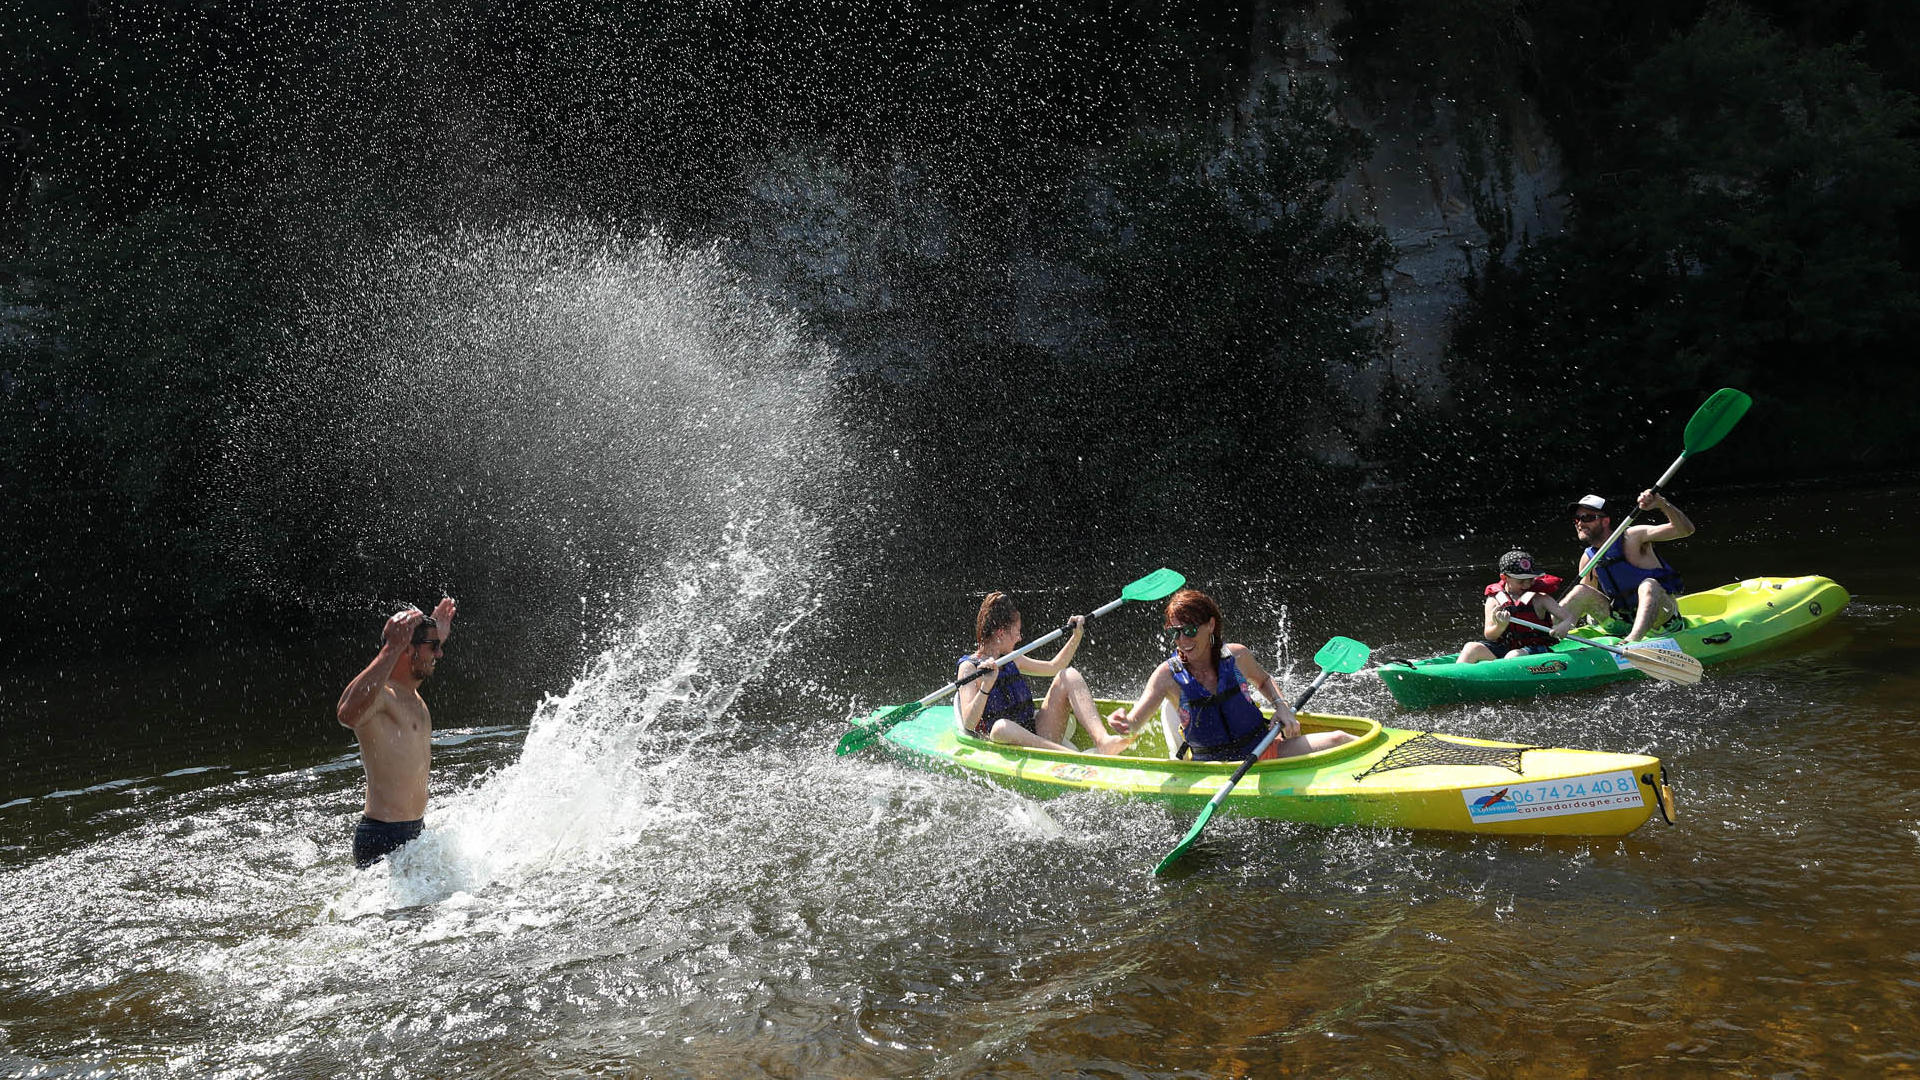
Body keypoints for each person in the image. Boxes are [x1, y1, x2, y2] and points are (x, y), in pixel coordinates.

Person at [1108, 588, 1356, 762]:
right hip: (1213, 768)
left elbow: (1264, 680)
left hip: (1263, 750)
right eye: (1176, 632)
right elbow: (1133, 725)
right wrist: (1123, 723)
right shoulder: (1167, 676)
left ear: (1211, 625)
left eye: (1190, 630)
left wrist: (1280, 706)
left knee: (1339, 738)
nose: (1183, 640)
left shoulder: (1236, 657)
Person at [336, 597, 456, 869]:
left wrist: (436, 635)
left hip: (415, 830)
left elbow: (416, 665)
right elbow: (346, 713)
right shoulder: (381, 698)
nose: (439, 654)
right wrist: (391, 648)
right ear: (406, 649)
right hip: (383, 837)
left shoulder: (408, 694)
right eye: (433, 647)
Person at [955, 591, 1131, 755]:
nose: (1019, 638)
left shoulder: (1010, 657)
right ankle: (1067, 755)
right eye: (1016, 632)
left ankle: (1103, 740)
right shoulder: (969, 668)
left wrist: (1075, 636)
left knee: (1068, 675)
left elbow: (1054, 667)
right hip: (1002, 741)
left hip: (1036, 732)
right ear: (1001, 633)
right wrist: (986, 685)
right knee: (1001, 728)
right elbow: (969, 722)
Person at [1560, 491, 1693, 642]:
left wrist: (1662, 503)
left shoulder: (1633, 537)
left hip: (1661, 622)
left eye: (1588, 518)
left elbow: (1685, 530)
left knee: (1648, 585)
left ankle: (1633, 641)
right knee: (1580, 591)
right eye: (1577, 519)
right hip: (1622, 623)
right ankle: (1543, 637)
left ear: (1605, 521)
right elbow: (1583, 602)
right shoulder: (1588, 559)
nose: (1580, 523)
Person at [1459, 550, 1574, 662]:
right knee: (1471, 648)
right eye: (1521, 581)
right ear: (1504, 578)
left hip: (1536, 649)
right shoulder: (1494, 600)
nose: (1527, 584)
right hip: (1506, 649)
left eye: (1530, 579)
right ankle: (1457, 678)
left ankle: (1504, 678)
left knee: (1513, 655)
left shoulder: (1540, 598)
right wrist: (1500, 626)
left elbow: (1568, 617)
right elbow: (1490, 636)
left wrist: (1564, 625)